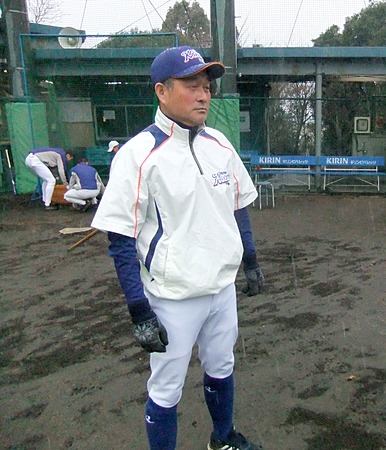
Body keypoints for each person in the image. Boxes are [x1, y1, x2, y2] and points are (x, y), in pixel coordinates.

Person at [91, 46, 264, 450]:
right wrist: (139, 309)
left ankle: (222, 438)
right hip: (173, 295)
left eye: (206, 86)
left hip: (221, 288)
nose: (203, 94)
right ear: (162, 92)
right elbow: (119, 240)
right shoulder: (138, 155)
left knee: (222, 366)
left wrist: (251, 261)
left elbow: (238, 207)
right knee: (167, 387)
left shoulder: (219, 143)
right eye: (191, 85)